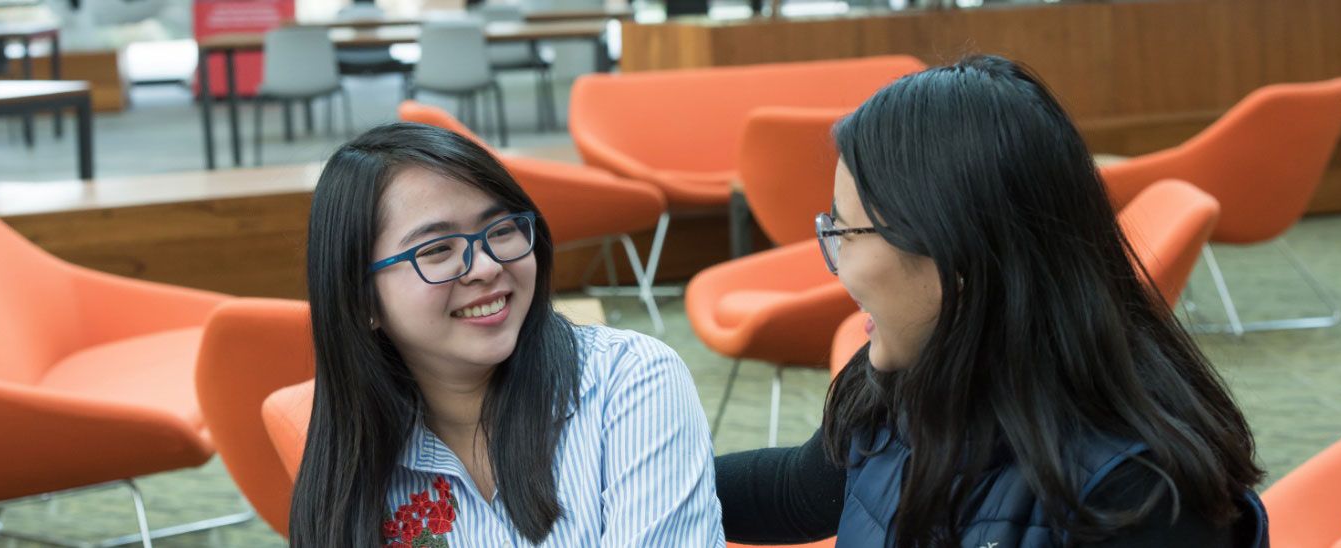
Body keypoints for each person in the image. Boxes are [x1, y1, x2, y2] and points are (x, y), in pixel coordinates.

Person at [716, 55, 1269, 547]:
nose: (835, 263)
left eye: (844, 233)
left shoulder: (1138, 497)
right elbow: (799, 491)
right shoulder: (905, 375)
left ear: (953, 260)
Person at [290, 123, 724, 547]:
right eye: (438, 250)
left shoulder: (629, 383)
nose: (486, 267)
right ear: (361, 298)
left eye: (500, 231)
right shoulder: (355, 467)